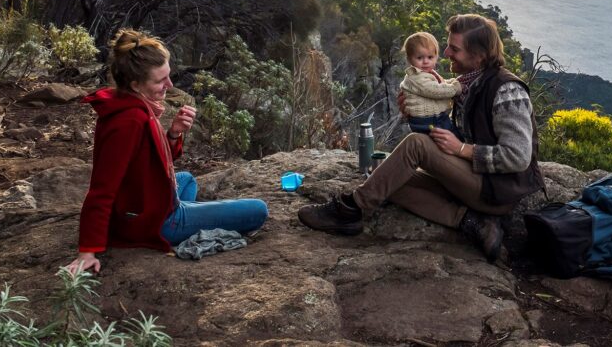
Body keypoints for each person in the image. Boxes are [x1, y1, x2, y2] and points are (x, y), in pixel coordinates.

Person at [298, 14, 544, 262]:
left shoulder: (507, 91)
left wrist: (462, 150)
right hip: (473, 179)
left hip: (498, 190)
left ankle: (350, 209)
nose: (446, 52)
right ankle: (472, 222)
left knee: (414, 146)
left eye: (454, 49)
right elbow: (442, 122)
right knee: (386, 176)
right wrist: (415, 110)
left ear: (478, 55)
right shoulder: (466, 84)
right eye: (448, 45)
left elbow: (518, 157)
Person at [66, 30, 268, 274]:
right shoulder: (127, 121)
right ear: (135, 84)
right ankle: (182, 224)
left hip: (147, 204)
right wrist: (87, 251)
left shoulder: (133, 104)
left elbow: (150, 161)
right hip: (155, 221)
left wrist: (172, 134)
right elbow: (101, 189)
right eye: (160, 81)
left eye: (168, 76)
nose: (170, 85)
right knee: (258, 210)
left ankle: (189, 216)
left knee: (187, 179)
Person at [399, 31, 461, 137]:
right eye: (419, 58)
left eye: (430, 57)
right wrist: (456, 88)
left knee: (453, 134)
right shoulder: (415, 77)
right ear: (409, 59)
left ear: (436, 57)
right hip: (427, 121)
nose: (425, 61)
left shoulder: (426, 74)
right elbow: (435, 90)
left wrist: (452, 82)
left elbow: (441, 84)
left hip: (432, 118)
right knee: (453, 136)